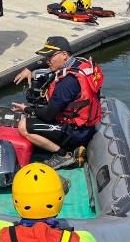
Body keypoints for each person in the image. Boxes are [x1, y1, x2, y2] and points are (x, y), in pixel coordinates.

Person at [12, 37, 103, 170]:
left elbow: (48, 115)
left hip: (75, 132)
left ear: (64, 55)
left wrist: (26, 109)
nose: (47, 61)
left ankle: (62, 155)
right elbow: (47, 64)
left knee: (23, 125)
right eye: (46, 57)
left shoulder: (67, 83)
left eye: (50, 57)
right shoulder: (79, 63)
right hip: (85, 126)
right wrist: (30, 69)